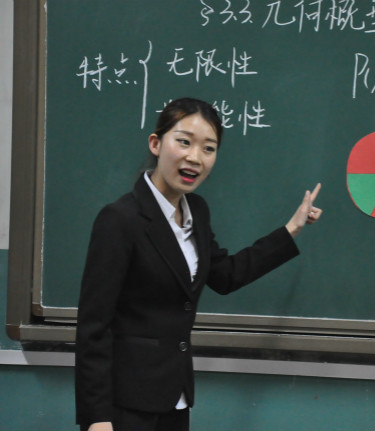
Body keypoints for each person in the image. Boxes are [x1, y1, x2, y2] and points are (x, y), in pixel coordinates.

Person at [75, 97, 322, 431]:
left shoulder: (197, 211)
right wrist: (97, 418)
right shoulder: (120, 220)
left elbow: (226, 275)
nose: (195, 157)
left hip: (175, 399)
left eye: (208, 148)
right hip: (125, 406)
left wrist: (291, 229)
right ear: (155, 143)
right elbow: (93, 327)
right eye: (184, 142)